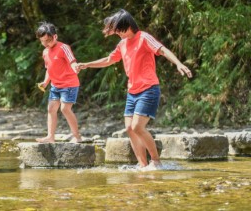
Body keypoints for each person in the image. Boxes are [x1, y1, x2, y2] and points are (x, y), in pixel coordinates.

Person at [77, 9, 192, 170]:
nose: (117, 34)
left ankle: (156, 162)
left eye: (119, 30)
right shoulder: (122, 44)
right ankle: (142, 165)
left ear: (127, 25)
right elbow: (110, 59)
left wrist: (179, 63)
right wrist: (87, 64)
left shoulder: (143, 37)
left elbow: (162, 49)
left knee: (138, 127)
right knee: (129, 129)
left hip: (149, 89)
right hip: (132, 91)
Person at [35, 22, 82, 143]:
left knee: (65, 109)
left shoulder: (63, 47)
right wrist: (45, 82)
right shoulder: (45, 52)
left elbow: (72, 61)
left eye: (48, 40)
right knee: (51, 109)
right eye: (42, 41)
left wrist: (75, 66)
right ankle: (50, 137)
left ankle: (77, 136)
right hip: (55, 85)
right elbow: (49, 69)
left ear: (55, 36)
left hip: (69, 84)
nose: (45, 44)